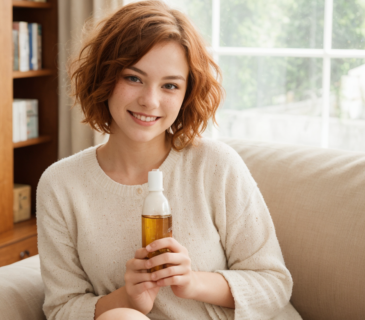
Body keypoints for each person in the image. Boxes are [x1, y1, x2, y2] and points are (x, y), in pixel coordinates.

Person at [36, 1, 302, 319]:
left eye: (170, 85)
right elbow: (61, 308)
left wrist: (191, 283)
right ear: (104, 76)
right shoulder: (61, 185)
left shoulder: (215, 165)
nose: (150, 100)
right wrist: (129, 298)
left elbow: (274, 284)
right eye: (133, 78)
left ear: (187, 94)